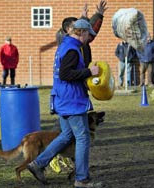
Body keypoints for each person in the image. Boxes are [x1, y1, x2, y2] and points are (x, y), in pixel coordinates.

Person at [27, 19, 102, 188]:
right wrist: (89, 72)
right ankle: (81, 179)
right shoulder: (73, 50)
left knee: (67, 135)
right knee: (83, 138)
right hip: (72, 100)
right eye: (89, 34)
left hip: (62, 98)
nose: (89, 38)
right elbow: (66, 74)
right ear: (81, 32)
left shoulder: (64, 45)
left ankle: (38, 164)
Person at [56, 0, 108, 67]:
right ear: (68, 29)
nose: (77, 28)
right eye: (75, 26)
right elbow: (66, 74)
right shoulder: (70, 45)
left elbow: (89, 29)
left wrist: (87, 17)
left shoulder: (72, 40)